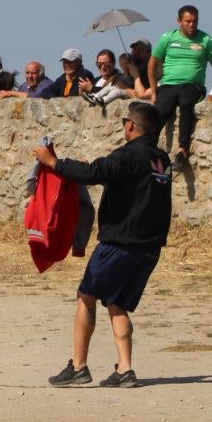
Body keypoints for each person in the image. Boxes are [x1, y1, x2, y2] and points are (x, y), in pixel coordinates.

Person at [40, 101, 172, 389]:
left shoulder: (128, 156)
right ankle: (125, 370)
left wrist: (55, 164)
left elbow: (94, 173)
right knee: (117, 303)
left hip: (119, 244)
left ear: (129, 125)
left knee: (87, 296)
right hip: (149, 248)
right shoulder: (162, 160)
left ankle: (78, 366)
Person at [146, 5, 212, 170]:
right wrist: (153, 90)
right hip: (170, 84)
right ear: (179, 21)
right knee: (161, 109)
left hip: (193, 85)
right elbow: (152, 63)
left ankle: (182, 150)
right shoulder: (168, 38)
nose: (192, 24)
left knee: (186, 102)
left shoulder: (206, 40)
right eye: (188, 21)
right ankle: (148, 149)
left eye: (195, 21)